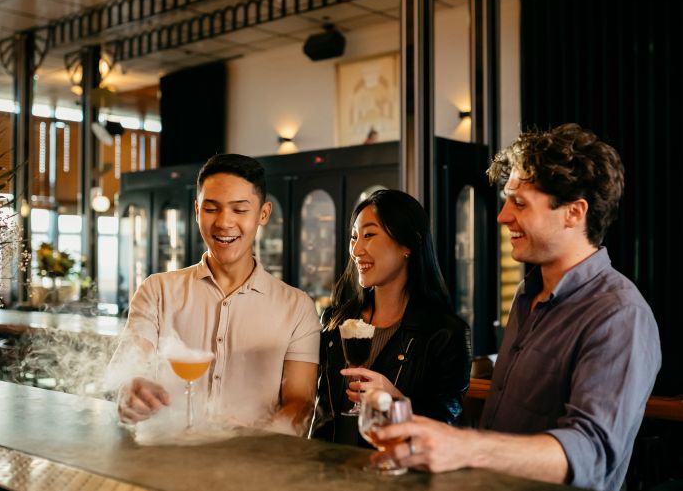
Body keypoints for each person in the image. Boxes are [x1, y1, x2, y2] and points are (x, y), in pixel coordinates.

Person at [373, 123, 661, 491]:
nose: (503, 216)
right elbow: (503, 435)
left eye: (520, 203)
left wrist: (467, 448)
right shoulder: (529, 297)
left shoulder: (619, 314)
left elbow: (591, 451)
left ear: (574, 212)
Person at [110, 153, 320, 435]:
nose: (224, 222)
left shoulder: (297, 307)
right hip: (164, 458)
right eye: (212, 209)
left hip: (255, 465)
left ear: (263, 214)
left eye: (239, 210)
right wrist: (129, 391)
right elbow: (127, 370)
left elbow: (301, 403)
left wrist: (258, 448)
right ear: (197, 211)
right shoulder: (157, 290)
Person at [311, 189, 472, 445]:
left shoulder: (445, 333)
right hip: (329, 473)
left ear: (407, 245)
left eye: (369, 235)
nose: (356, 249)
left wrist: (395, 399)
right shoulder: (335, 322)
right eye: (354, 237)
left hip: (398, 476)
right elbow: (320, 415)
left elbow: (446, 426)